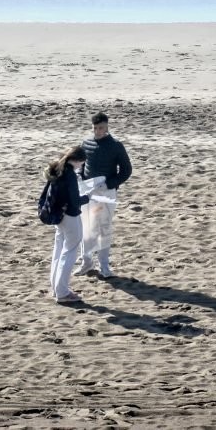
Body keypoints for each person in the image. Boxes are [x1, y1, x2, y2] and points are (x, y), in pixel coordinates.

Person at [75, 112, 132, 278]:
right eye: (95, 128)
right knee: (86, 227)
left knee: (103, 227)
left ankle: (104, 266)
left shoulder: (116, 145)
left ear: (107, 127)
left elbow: (126, 170)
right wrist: (79, 174)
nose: (98, 131)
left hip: (105, 193)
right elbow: (81, 164)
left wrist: (109, 184)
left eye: (101, 128)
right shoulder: (86, 143)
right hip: (87, 191)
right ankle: (86, 262)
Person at [46, 146, 91, 304]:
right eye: (81, 163)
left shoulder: (58, 169)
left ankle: (56, 287)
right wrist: (88, 197)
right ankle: (62, 292)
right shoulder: (70, 174)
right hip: (70, 216)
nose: (81, 166)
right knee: (69, 251)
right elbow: (74, 201)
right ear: (78, 160)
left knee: (58, 250)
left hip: (58, 216)